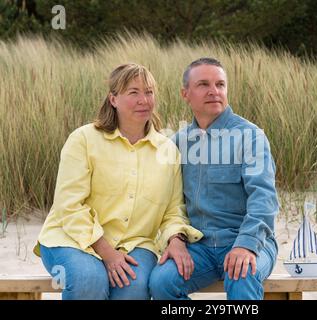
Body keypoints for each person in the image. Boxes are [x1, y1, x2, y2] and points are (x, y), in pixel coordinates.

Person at [33, 63, 203, 300]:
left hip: (136, 244)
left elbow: (173, 211)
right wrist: (107, 252)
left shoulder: (168, 150)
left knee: (133, 288)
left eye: (149, 92)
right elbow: (69, 205)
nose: (144, 100)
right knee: (89, 281)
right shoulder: (83, 139)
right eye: (133, 92)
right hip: (72, 239)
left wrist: (175, 239)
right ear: (113, 99)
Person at [149, 57, 279, 300]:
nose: (214, 91)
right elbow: (169, 204)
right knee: (161, 282)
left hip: (249, 241)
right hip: (200, 247)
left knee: (242, 274)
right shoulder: (177, 143)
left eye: (220, 84)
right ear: (185, 93)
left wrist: (246, 245)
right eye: (203, 85)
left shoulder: (251, 136)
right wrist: (174, 239)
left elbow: (264, 199)